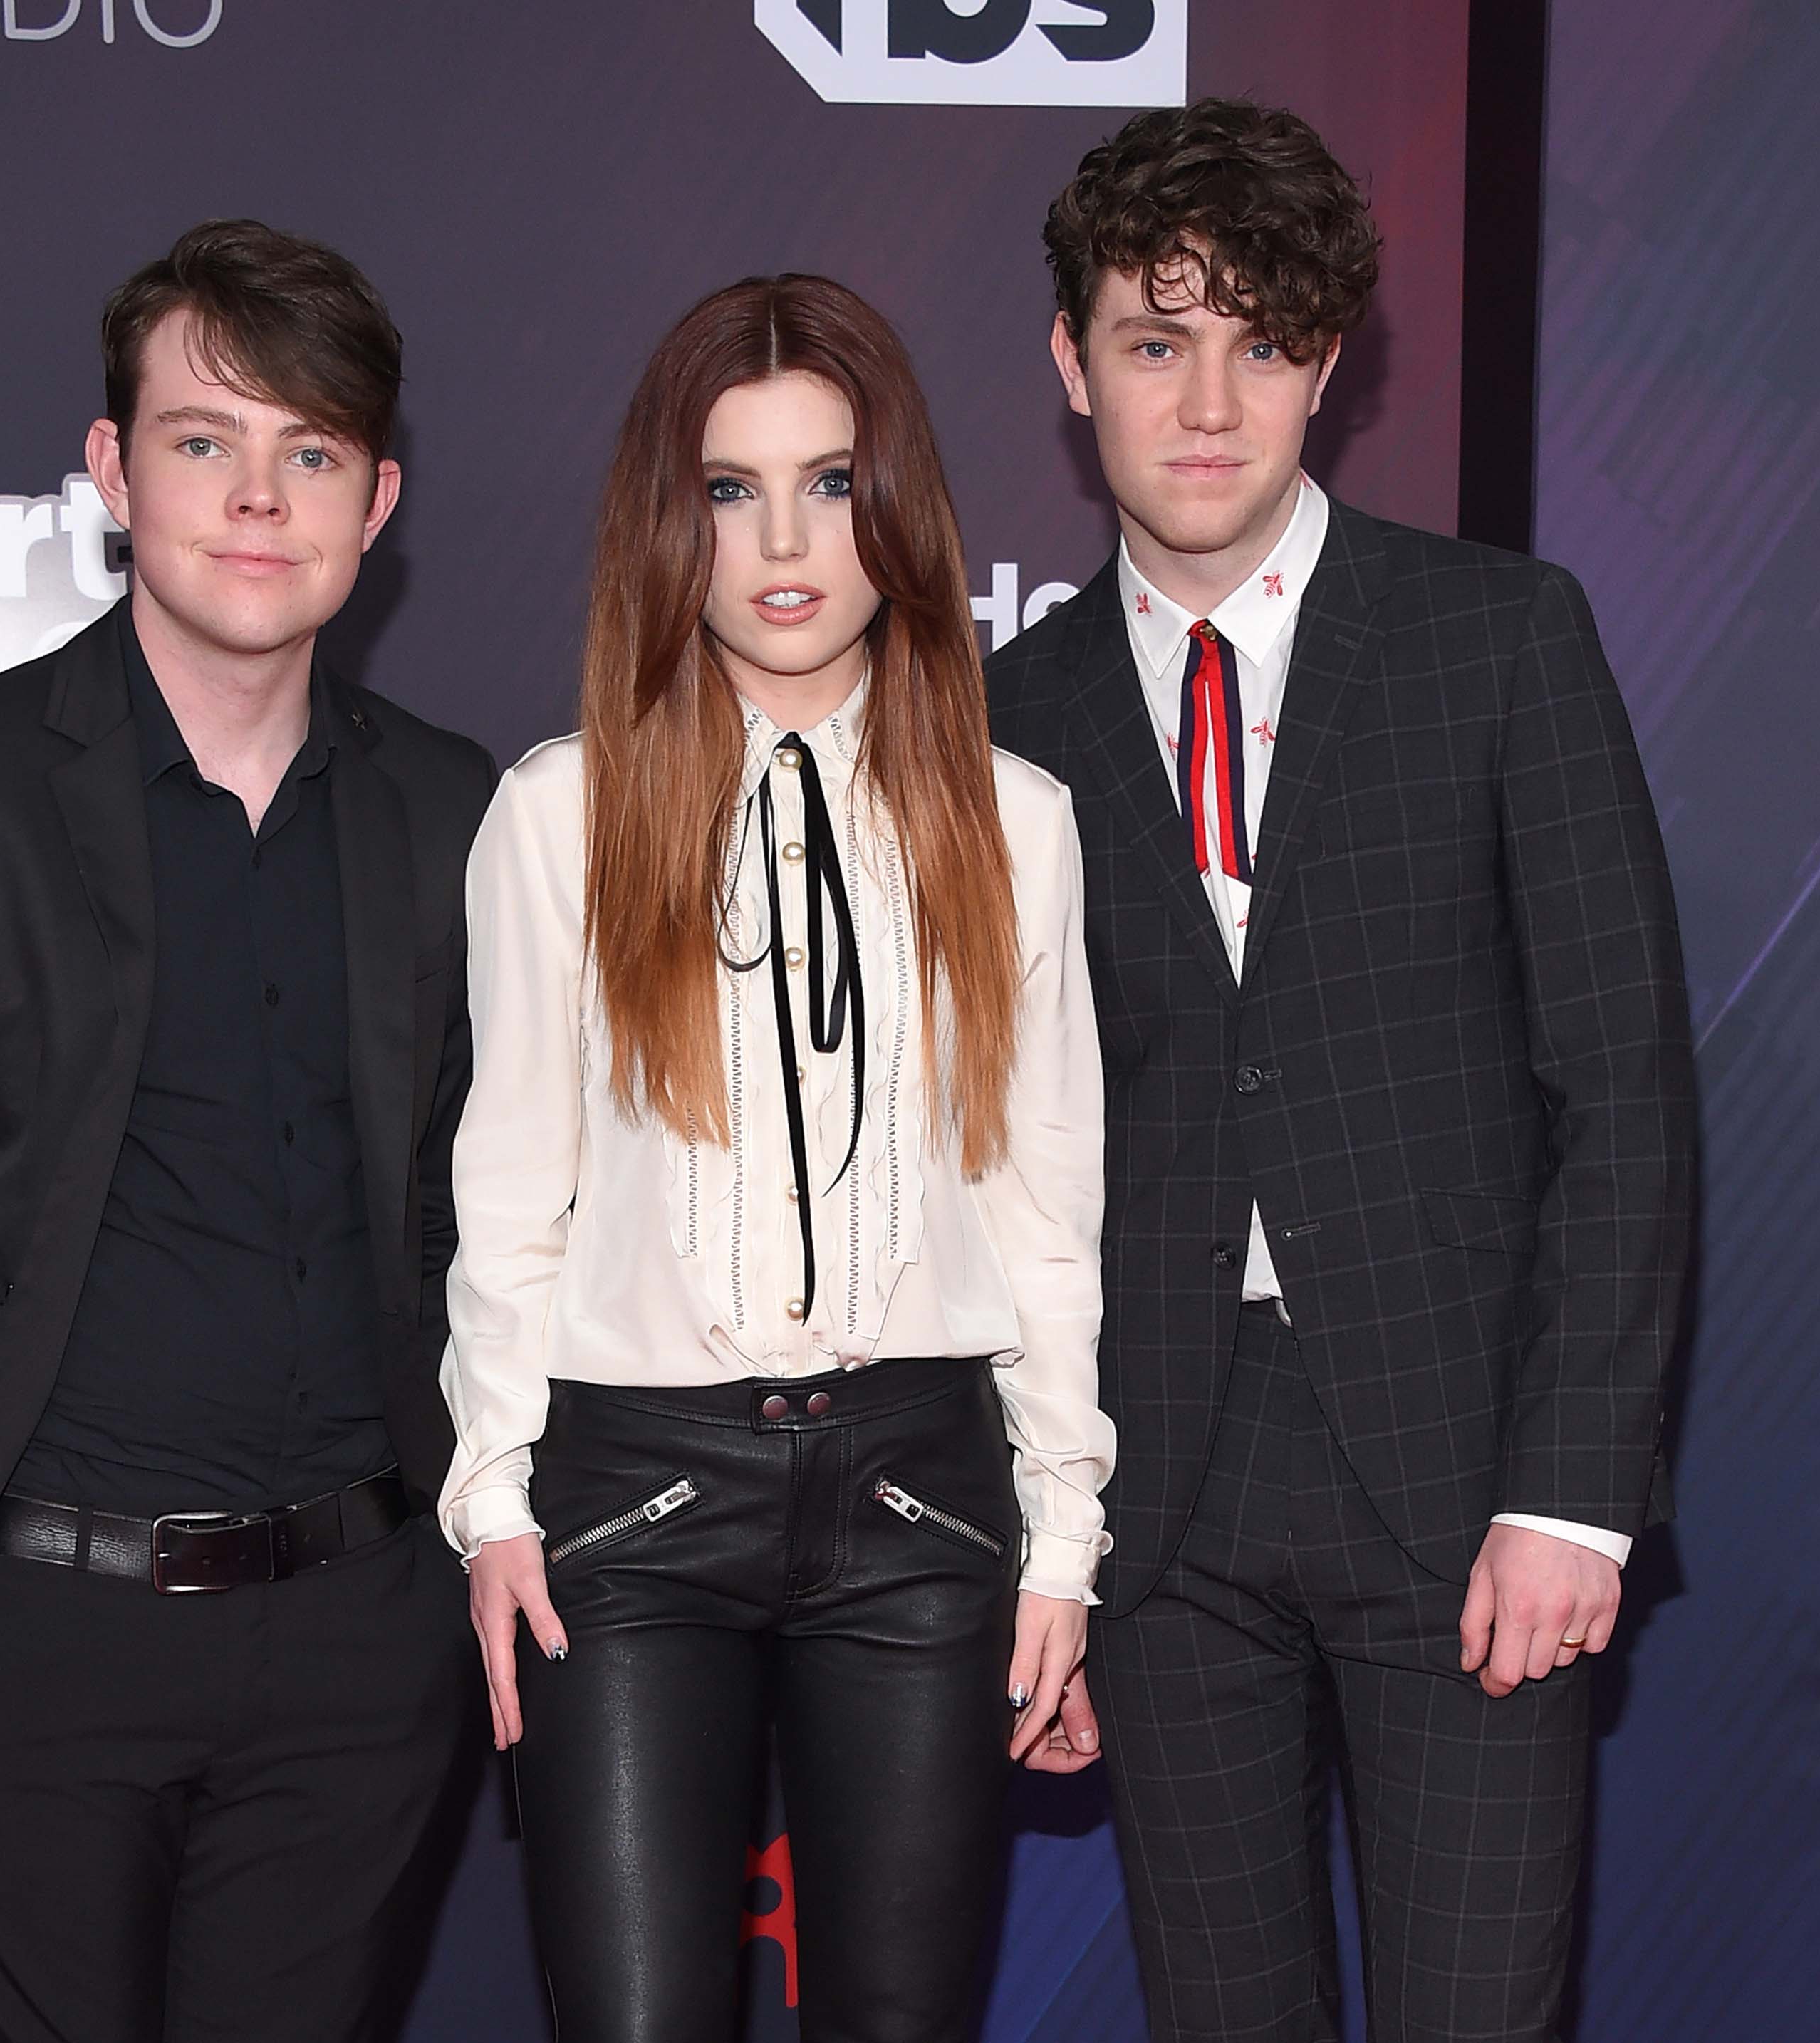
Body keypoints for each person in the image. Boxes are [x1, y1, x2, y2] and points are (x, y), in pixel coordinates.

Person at [986, 100, 1695, 2043]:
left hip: (1468, 1479)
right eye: (1155, 338)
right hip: (1160, 1510)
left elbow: (1621, 1086)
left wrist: (1575, 1491)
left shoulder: (1497, 637)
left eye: (1263, 340)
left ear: (1329, 362)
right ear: (1073, 364)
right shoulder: (998, 722)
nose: (1208, 401)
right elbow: (986, 1171)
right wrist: (1042, 1556)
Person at [0, 219, 494, 2043]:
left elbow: (472, 1221)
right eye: (202, 440)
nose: (257, 499)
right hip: (28, 1641)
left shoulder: (453, 810)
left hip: (359, 1644)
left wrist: (456, 1575)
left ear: (377, 498)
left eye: (309, 451)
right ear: (110, 469)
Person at [440, 272, 1113, 2042]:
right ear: (674, 524)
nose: (785, 541)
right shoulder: (557, 815)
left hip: (920, 1497)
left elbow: (1047, 1210)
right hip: (632, 1505)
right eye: (732, 491)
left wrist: (1062, 1538)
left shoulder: (1016, 825)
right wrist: (493, 1497)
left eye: (829, 480)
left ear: (896, 507)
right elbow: (509, 1194)